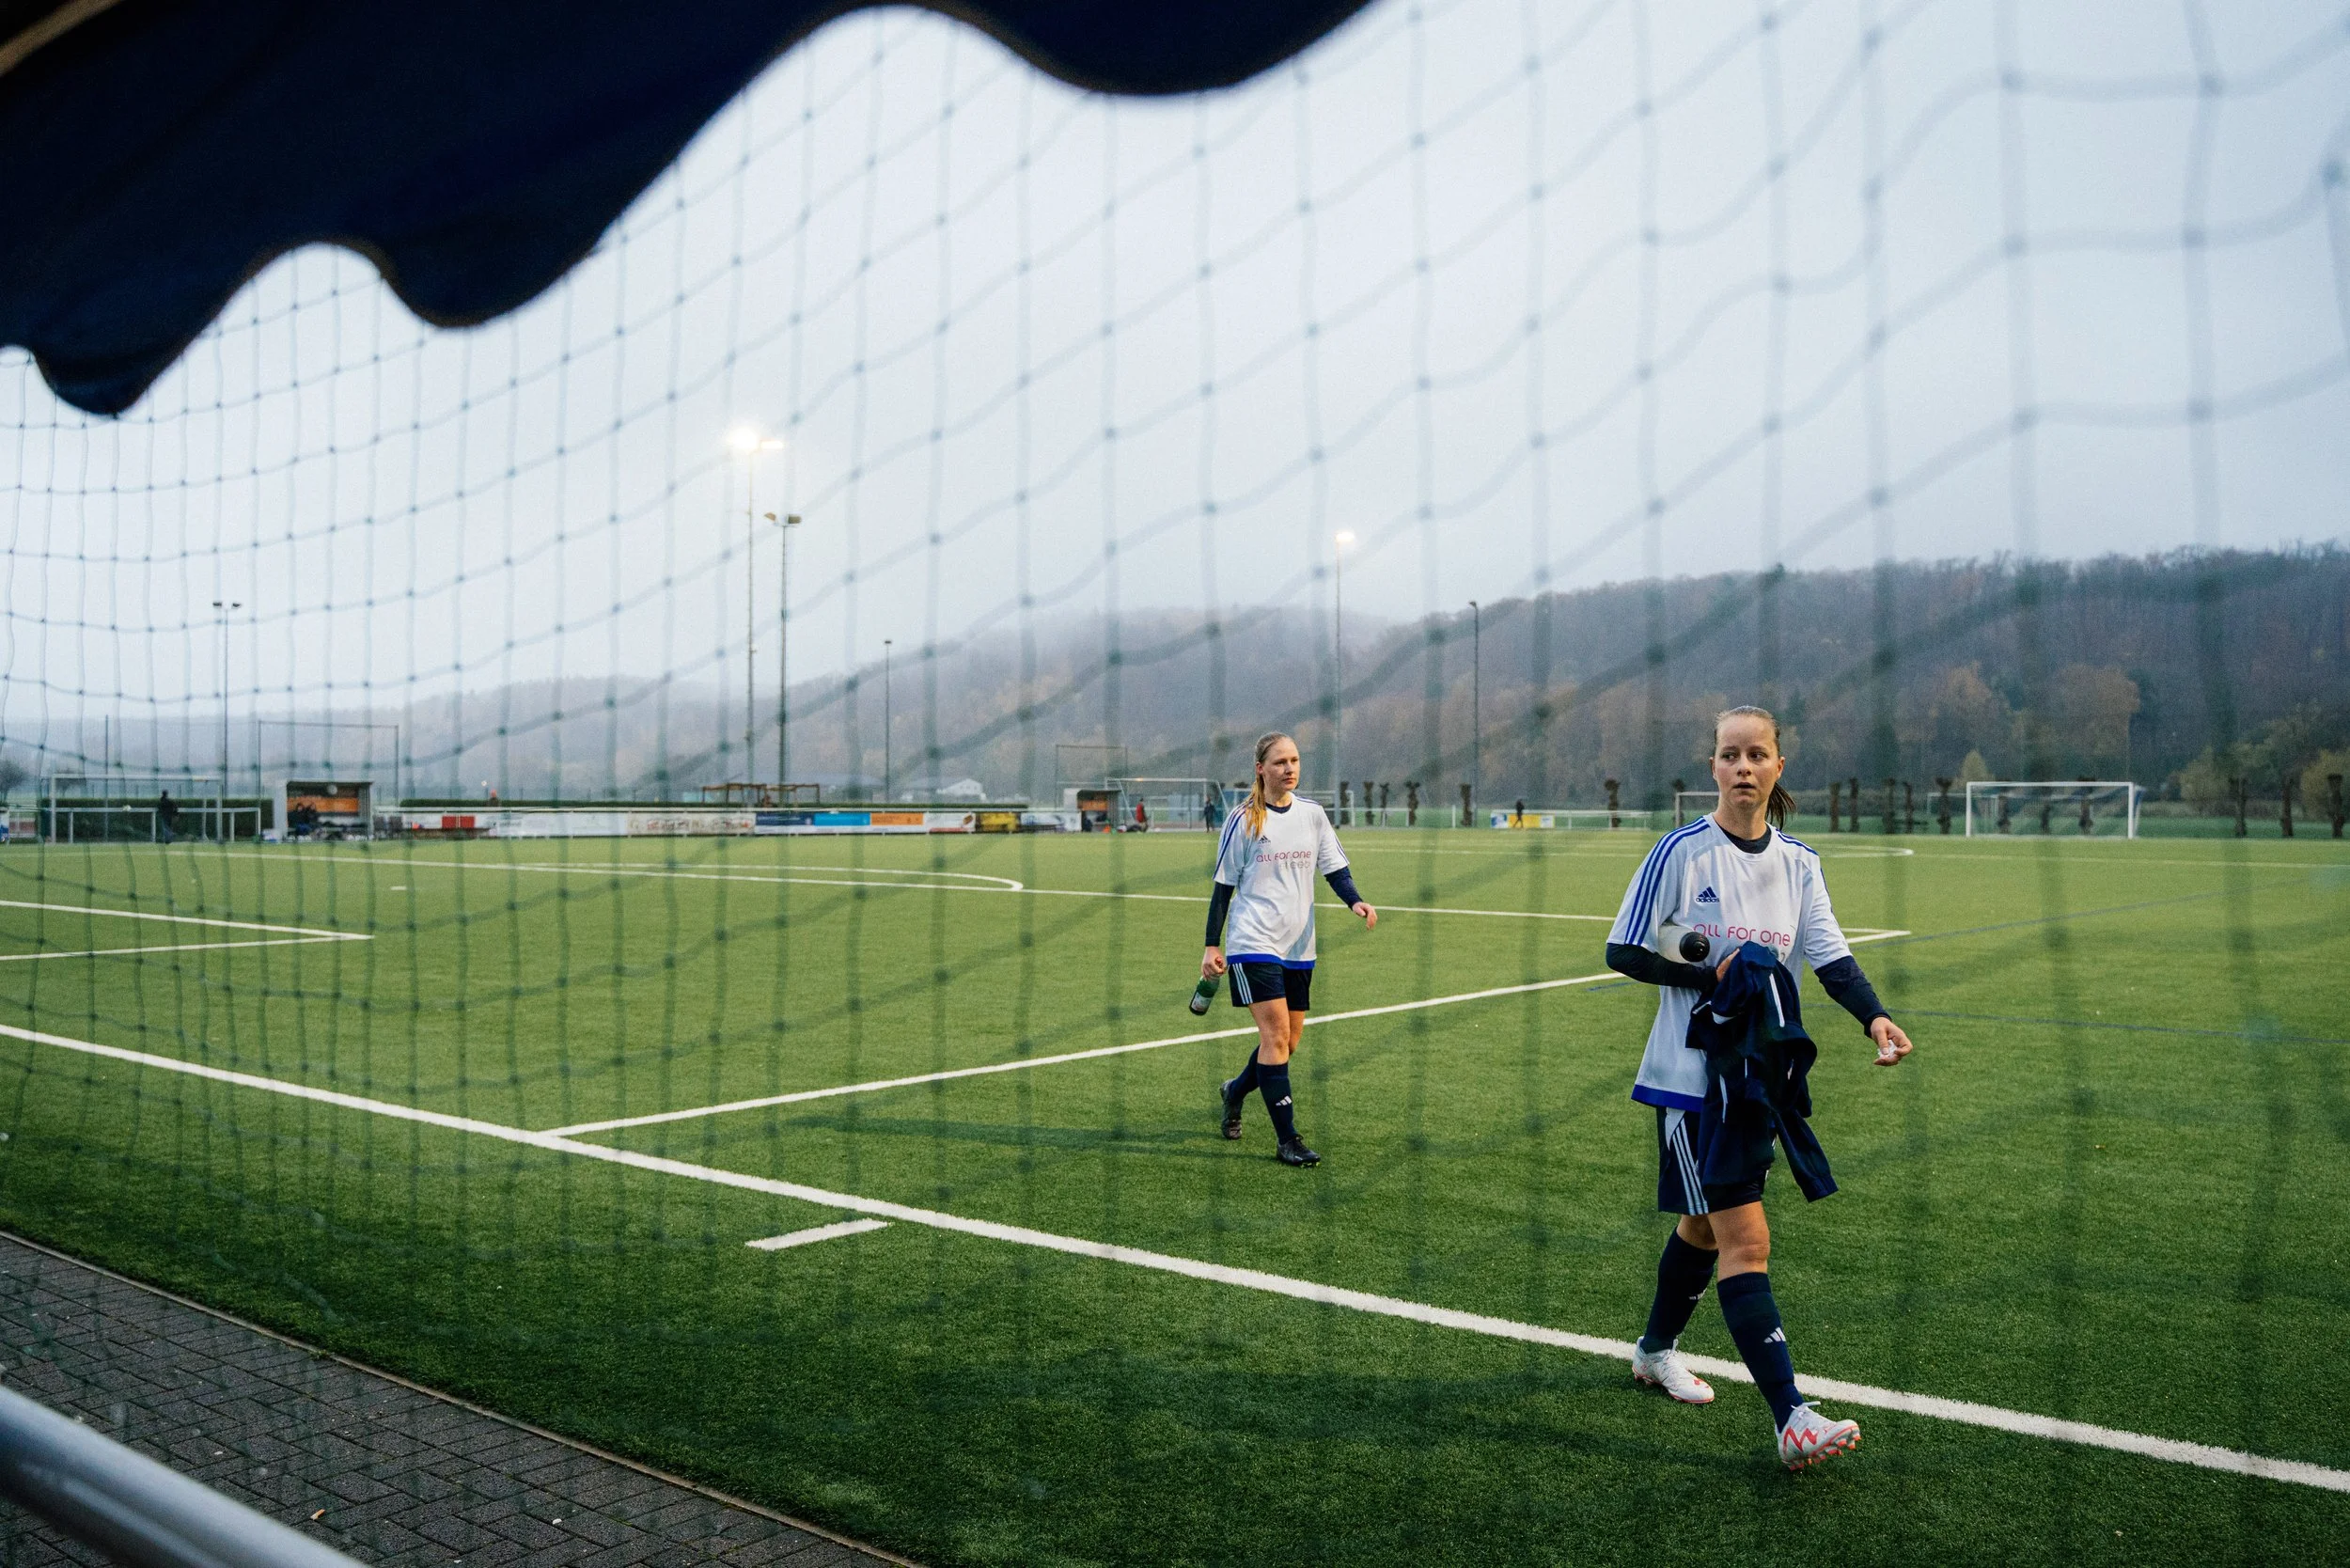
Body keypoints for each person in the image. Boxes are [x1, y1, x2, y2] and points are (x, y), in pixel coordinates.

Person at [1605, 705, 1914, 1471]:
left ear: (1778, 766)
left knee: (1705, 1230)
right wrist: (1708, 974)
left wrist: (1875, 1017)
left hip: (1755, 1082)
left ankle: (1653, 1350)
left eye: (1756, 754)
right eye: (1729, 754)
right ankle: (1792, 1417)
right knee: (1746, 1240)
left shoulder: (1799, 863)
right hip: (1689, 1083)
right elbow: (1623, 950)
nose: (1742, 767)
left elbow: (1830, 956)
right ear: (1712, 766)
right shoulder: (1681, 852)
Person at [1202, 732, 1376, 1167]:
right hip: (1253, 942)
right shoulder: (1243, 819)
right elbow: (1223, 888)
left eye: (1294, 760)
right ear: (1261, 768)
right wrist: (1211, 946)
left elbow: (1335, 868)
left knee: (1288, 1043)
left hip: (1299, 945)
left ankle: (1234, 1090)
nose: (1289, 768)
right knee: (1276, 1037)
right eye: (1280, 762)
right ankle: (1288, 1140)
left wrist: (1354, 900)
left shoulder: (1312, 814)